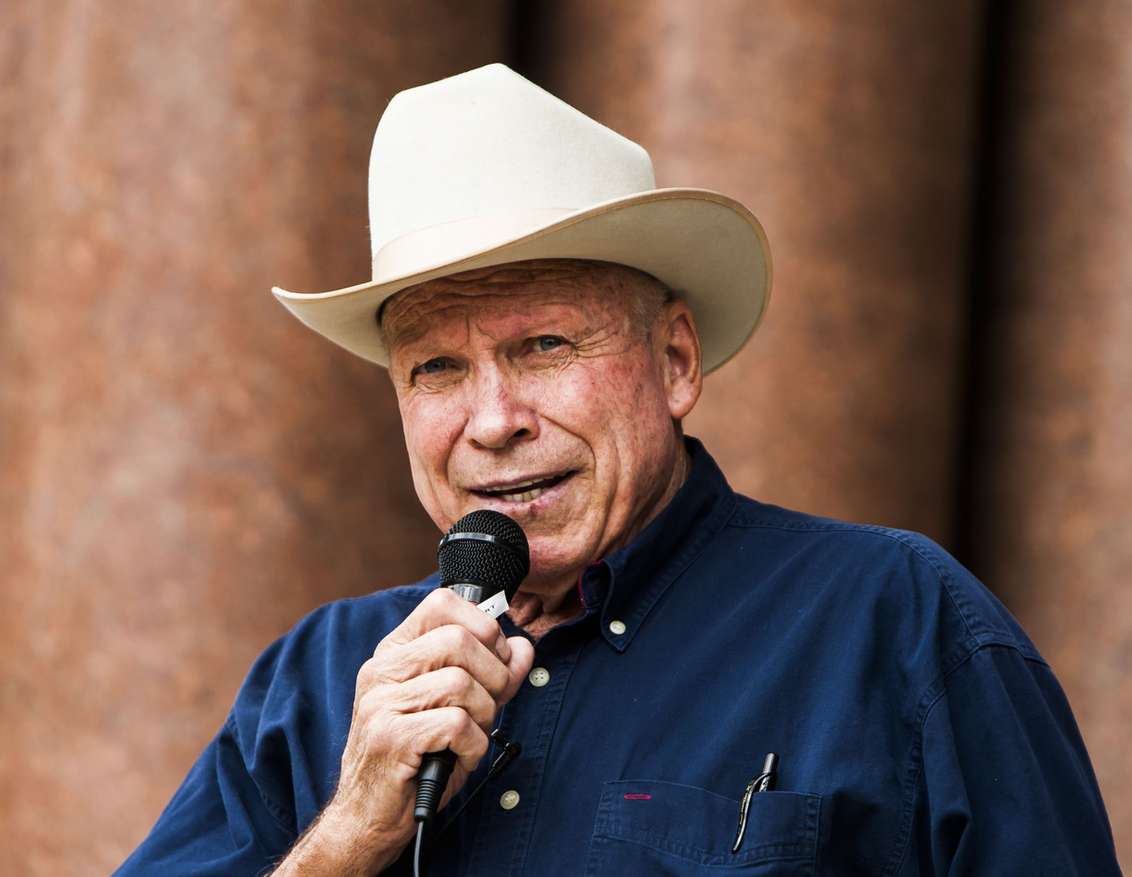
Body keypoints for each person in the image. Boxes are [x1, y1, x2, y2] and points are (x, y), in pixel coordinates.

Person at [113, 64, 1121, 876]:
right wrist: (347, 836)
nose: (493, 420)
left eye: (545, 346)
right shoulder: (320, 677)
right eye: (437, 368)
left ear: (675, 361)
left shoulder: (895, 624)